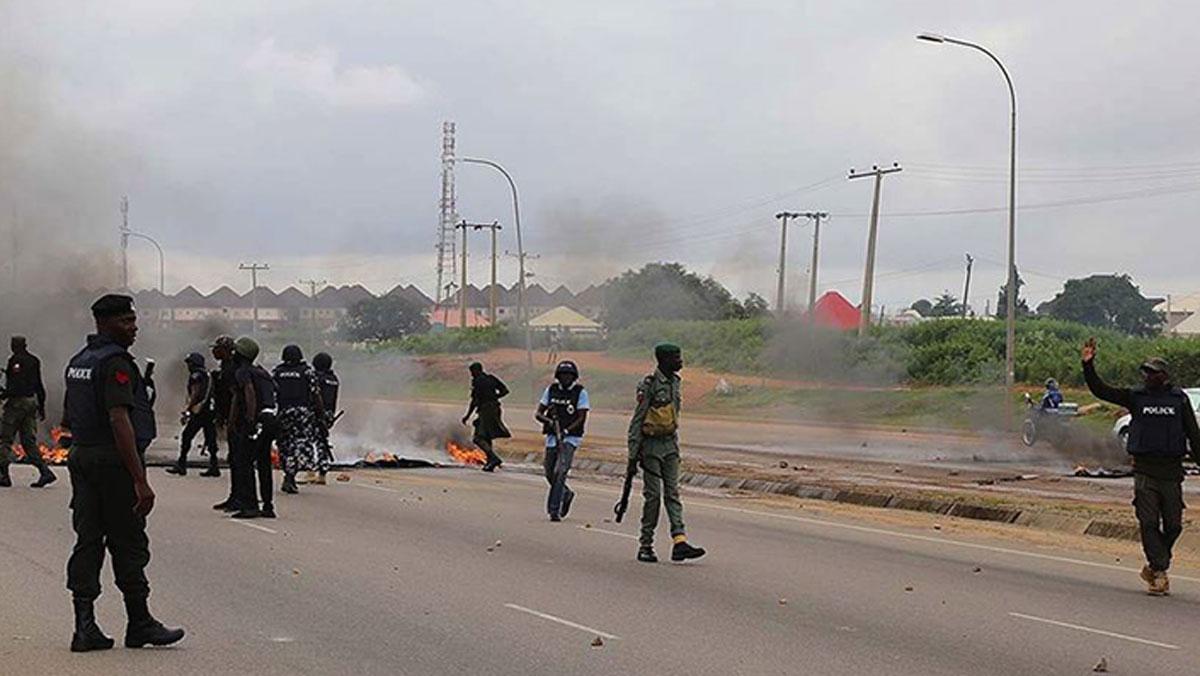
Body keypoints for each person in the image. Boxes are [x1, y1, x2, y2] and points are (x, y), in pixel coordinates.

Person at [62, 293, 184, 652]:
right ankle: (140, 623)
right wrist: (139, 479)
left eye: (133, 320)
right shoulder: (115, 362)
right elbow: (120, 419)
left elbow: (69, 417)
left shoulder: (79, 361)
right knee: (128, 540)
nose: (134, 327)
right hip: (112, 463)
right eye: (126, 321)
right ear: (105, 322)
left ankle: (84, 628)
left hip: (82, 457)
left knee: (87, 539)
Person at [1081, 338, 1200, 595]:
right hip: (1145, 472)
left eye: (1152, 373)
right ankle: (1159, 573)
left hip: (1171, 473)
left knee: (1174, 526)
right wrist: (1088, 365)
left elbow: (1194, 434)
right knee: (1147, 523)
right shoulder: (1136, 397)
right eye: (1145, 372)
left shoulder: (1179, 400)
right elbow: (1102, 390)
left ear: (1164, 376)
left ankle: (1157, 563)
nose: (1147, 376)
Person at [626, 343, 705, 564]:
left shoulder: (675, 383)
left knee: (673, 494)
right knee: (653, 498)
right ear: (663, 360)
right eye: (676, 358)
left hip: (670, 446)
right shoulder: (649, 385)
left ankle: (679, 541)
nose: (680, 361)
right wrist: (633, 456)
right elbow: (637, 420)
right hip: (650, 449)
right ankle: (645, 545)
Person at [228, 337, 278, 519]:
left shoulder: (243, 372)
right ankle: (268, 505)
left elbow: (248, 393)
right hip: (271, 419)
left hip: (257, 421)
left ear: (240, 355)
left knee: (245, 463)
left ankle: (250, 506)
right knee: (264, 464)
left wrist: (248, 420)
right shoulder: (263, 372)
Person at [535, 360, 589, 521]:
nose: (566, 378)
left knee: (560, 472)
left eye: (569, 376)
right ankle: (566, 493)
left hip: (571, 438)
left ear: (574, 377)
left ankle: (554, 510)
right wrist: (549, 422)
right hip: (552, 437)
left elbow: (581, 417)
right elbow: (538, 413)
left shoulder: (580, 392)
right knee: (549, 471)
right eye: (563, 375)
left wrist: (566, 431)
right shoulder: (551, 390)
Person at [0, 335, 56, 488]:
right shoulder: (34, 360)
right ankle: (45, 472)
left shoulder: (15, 361)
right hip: (31, 403)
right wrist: (42, 406)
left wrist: (4, 394)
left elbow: (17, 387)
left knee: (5, 439)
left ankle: (3, 475)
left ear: (16, 346)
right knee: (28, 442)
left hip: (17, 404)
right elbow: (39, 384)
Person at [272, 345, 322, 495]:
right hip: (302, 414)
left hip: (284, 412)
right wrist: (320, 416)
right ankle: (291, 476)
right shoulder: (307, 372)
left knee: (285, 445)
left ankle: (288, 474)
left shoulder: (277, 372)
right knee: (301, 445)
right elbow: (316, 394)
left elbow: (272, 394)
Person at [166, 352, 216, 477]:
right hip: (209, 411)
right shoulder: (207, 374)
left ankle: (181, 464)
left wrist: (187, 409)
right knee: (210, 438)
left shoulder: (196, 375)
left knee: (187, 435)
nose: (188, 366)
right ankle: (214, 466)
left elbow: (195, 393)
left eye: (189, 363)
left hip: (200, 412)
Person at [461, 362, 510, 472]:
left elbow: (474, 401)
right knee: (487, 436)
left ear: (477, 370)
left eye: (472, 372)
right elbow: (505, 391)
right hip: (495, 408)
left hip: (486, 411)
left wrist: (467, 416)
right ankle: (490, 462)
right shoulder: (491, 378)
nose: (472, 375)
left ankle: (494, 458)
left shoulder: (478, 381)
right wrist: (494, 397)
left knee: (478, 438)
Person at [209, 336, 240, 508]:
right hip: (229, 418)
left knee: (237, 460)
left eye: (217, 348)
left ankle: (239, 498)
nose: (214, 351)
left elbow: (234, 396)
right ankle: (234, 496)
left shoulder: (232, 370)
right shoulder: (224, 369)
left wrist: (231, 421)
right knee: (234, 459)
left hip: (235, 420)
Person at [311, 352, 340, 485]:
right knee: (322, 442)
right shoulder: (333, 379)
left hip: (316, 412)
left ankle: (310, 471)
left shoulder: (316, 377)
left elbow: (313, 396)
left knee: (309, 441)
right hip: (328, 414)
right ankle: (322, 473)